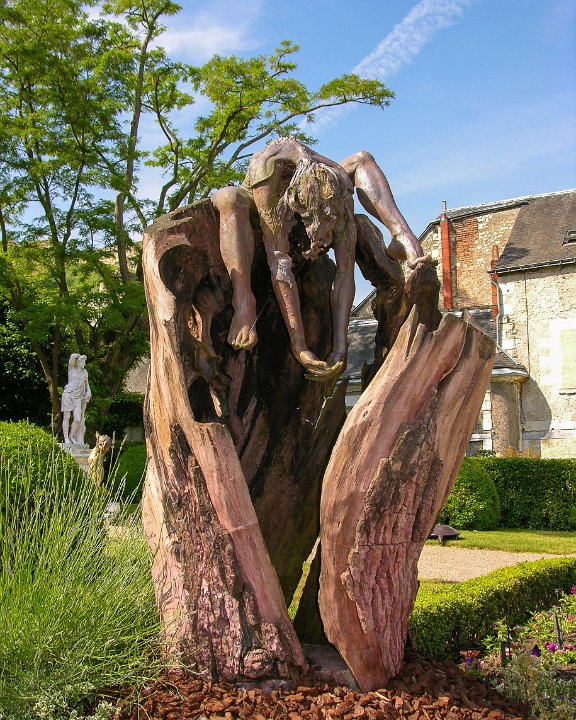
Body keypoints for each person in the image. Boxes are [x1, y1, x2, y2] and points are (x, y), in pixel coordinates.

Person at [211, 138, 433, 382]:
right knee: (228, 198)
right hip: (265, 199)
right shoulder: (267, 172)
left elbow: (345, 273)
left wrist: (340, 348)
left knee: (362, 159)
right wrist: (299, 346)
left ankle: (402, 235)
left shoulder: (339, 188)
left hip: (319, 185)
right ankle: (244, 302)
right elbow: (279, 263)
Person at [61, 353, 91, 445]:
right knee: (66, 417)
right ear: (77, 363)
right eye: (82, 362)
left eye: (84, 362)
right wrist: (79, 356)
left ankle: (71, 436)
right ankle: (66, 438)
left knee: (78, 419)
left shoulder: (85, 372)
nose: (84, 364)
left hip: (78, 397)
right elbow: (72, 357)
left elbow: (87, 384)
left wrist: (88, 391)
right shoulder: (71, 369)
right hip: (68, 394)